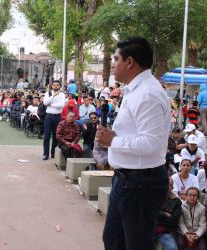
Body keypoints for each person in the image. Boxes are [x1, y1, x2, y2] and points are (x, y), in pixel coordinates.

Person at [96, 37, 171, 250]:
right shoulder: (134, 90)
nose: (112, 64)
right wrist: (112, 136)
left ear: (130, 62)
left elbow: (153, 144)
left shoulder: (148, 94)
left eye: (116, 59)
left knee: (136, 245)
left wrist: (113, 140)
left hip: (141, 183)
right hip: (127, 180)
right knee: (113, 240)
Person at [155, 177, 182, 250]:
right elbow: (147, 215)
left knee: (172, 248)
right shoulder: (152, 198)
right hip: (148, 231)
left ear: (172, 187)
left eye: (169, 184)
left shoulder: (176, 201)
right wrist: (164, 214)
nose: (166, 186)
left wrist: (156, 218)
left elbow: (174, 220)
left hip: (165, 232)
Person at [42, 81, 65, 160]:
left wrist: (51, 105)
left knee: (56, 136)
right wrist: (53, 96)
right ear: (52, 86)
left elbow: (61, 105)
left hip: (58, 116)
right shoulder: (48, 93)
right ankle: (45, 154)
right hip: (48, 116)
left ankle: (53, 153)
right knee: (46, 136)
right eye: (54, 85)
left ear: (59, 86)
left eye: (57, 85)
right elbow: (45, 103)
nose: (56, 86)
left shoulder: (62, 95)